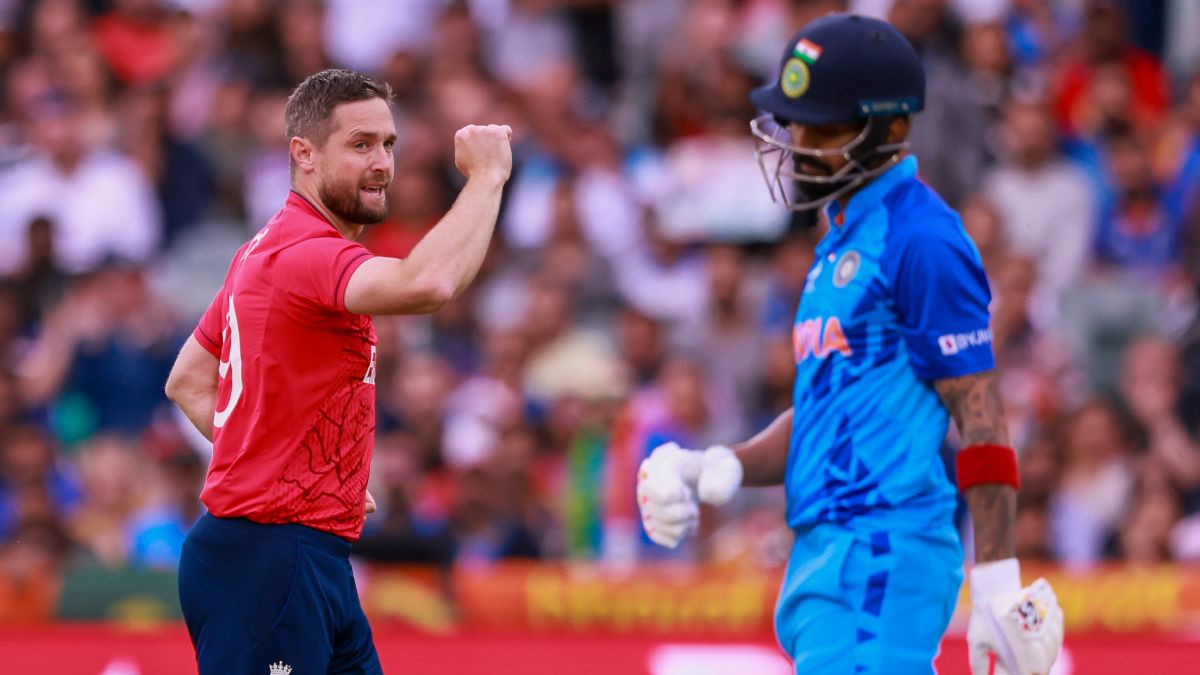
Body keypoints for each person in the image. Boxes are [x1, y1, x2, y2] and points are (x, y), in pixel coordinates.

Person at [634, 14, 1064, 675]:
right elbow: (826, 415)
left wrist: (997, 582)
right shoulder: (840, 239)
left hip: (881, 547)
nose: (801, 144)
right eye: (796, 124)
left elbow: (980, 411)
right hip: (830, 552)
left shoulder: (920, 238)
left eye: (825, 128)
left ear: (891, 130)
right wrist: (717, 463)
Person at [164, 68, 512, 674]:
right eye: (360, 145)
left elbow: (189, 380)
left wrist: (300, 470)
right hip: (268, 558)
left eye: (388, 145)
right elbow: (427, 283)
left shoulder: (265, 250)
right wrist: (488, 176)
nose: (382, 164)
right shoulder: (306, 253)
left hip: (298, 554)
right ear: (304, 154)